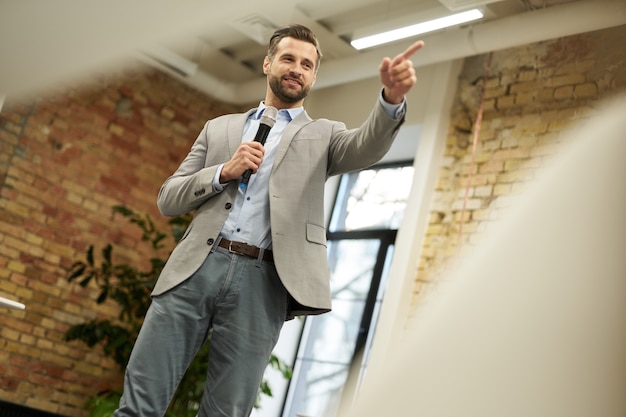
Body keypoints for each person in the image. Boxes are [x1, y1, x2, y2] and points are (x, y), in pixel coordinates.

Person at [114, 24, 423, 417]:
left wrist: (391, 100)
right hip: (195, 269)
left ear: (313, 77)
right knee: (139, 405)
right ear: (268, 63)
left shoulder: (325, 135)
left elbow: (367, 146)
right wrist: (223, 172)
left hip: (263, 282)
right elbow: (168, 198)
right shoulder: (220, 127)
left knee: (226, 412)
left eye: (307, 65)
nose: (297, 69)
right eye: (289, 59)